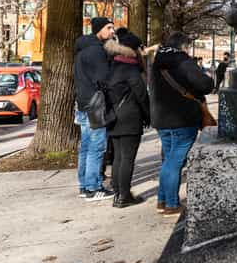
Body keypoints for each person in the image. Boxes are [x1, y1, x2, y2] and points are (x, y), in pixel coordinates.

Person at [151, 32, 213, 216]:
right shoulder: (182, 61)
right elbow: (205, 85)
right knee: (175, 162)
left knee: (168, 160)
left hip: (162, 118)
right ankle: (171, 204)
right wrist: (208, 77)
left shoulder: (157, 62)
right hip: (182, 118)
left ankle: (162, 200)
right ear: (184, 46)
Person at [106, 30, 150, 208]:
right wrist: (149, 116)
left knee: (118, 157)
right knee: (127, 158)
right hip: (130, 118)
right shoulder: (131, 68)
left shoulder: (113, 66)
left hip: (113, 117)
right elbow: (141, 95)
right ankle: (124, 196)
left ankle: (117, 192)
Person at [74, 17, 115, 201]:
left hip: (83, 104)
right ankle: (93, 188)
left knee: (86, 147)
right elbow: (105, 79)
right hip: (96, 105)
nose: (112, 31)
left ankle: (84, 186)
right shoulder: (97, 51)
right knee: (96, 148)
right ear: (99, 30)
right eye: (109, 28)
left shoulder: (82, 50)